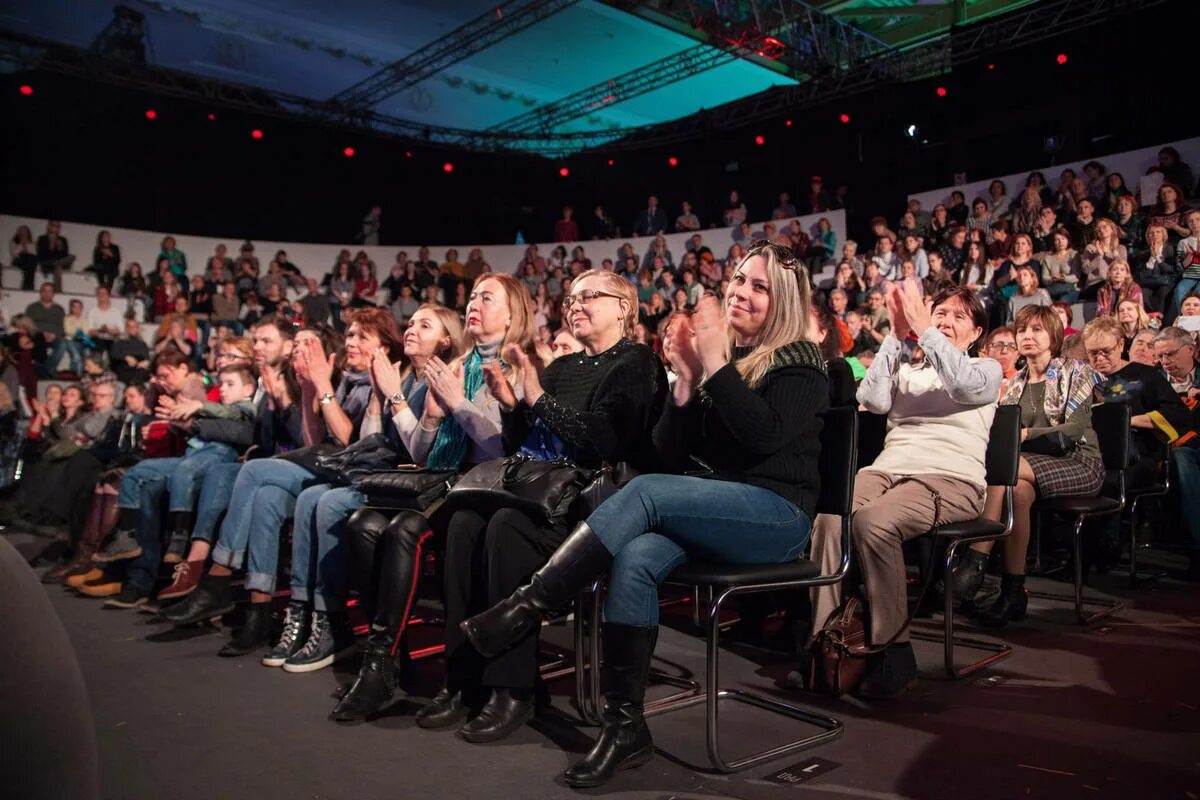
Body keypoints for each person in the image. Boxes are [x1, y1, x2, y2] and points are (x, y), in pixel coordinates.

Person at [458, 242, 826, 787]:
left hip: (776, 518)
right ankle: (625, 727)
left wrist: (715, 367)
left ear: (787, 300)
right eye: (739, 279)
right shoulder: (726, 365)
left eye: (759, 285)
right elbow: (673, 457)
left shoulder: (803, 364)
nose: (740, 291)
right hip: (713, 508)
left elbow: (763, 438)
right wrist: (683, 385)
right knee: (635, 556)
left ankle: (525, 607)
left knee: (649, 493)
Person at [409, 269, 666, 746]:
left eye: (590, 296)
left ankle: (515, 688)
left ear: (624, 308)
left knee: (508, 526)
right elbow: (523, 443)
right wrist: (514, 406)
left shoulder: (636, 363)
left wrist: (538, 400)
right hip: (541, 490)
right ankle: (462, 675)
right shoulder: (564, 366)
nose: (576, 304)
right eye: (571, 297)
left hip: (592, 505)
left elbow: (604, 439)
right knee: (463, 521)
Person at [159, 315, 379, 657]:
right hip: (313, 469)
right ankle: (259, 612)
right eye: (298, 344)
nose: (299, 351)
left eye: (308, 344)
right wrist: (307, 389)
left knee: (250, 473)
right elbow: (312, 441)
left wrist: (313, 387)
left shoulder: (344, 378)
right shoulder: (325, 380)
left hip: (342, 474)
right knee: (266, 497)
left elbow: (346, 442)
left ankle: (217, 575)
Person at [957, 306, 1103, 626]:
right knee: (1018, 491)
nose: (1027, 336)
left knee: (1003, 466)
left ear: (1053, 336)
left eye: (1036, 330)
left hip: (1079, 462)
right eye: (1022, 330)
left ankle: (976, 558)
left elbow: (1074, 431)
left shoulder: (1075, 372)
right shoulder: (1014, 384)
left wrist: (1026, 433)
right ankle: (1013, 592)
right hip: (1030, 467)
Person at [91, 362, 259, 608]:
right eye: (221, 382)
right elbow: (203, 428)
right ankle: (131, 549)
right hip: (192, 459)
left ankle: (173, 556)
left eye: (229, 383)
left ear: (247, 387)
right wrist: (179, 422)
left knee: (181, 474)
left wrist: (196, 413)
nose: (222, 388)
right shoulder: (221, 402)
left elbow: (239, 430)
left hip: (217, 467)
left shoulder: (244, 406)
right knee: (138, 476)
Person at [1152, 327, 1200, 580]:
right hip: (1170, 450)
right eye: (1160, 357)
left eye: (1170, 354)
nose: (1165, 362)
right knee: (1181, 459)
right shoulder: (1155, 383)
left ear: (1190, 349)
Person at [1133, 223, 1177, 318]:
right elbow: (1142, 275)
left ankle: (1160, 321)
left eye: (1158, 232)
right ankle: (1149, 321)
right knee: (1142, 292)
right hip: (1148, 282)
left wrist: (1157, 256)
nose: (1155, 235)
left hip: (1165, 282)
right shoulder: (1143, 253)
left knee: (1163, 291)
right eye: (1151, 233)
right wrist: (1152, 258)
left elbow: (1171, 270)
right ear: (1148, 236)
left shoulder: (1170, 249)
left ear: (1163, 235)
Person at [24, 283, 67, 378]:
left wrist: (54, 335)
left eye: (50, 291)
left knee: (63, 344)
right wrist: (41, 334)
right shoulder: (32, 307)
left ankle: (44, 370)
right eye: (45, 291)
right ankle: (48, 371)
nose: (47, 293)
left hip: (54, 336)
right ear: (41, 293)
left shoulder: (59, 309)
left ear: (53, 294)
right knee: (38, 340)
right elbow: (27, 325)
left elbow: (62, 327)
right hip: (36, 335)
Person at [1040, 228, 1081, 303]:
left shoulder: (1074, 254)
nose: (1060, 242)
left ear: (1068, 240)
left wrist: (1064, 278)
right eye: (1057, 240)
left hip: (1070, 288)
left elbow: (1076, 277)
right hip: (1053, 288)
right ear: (1053, 242)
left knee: (1062, 302)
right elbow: (1044, 278)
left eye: (1063, 239)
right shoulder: (1048, 258)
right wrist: (1052, 279)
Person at [36, 220, 75, 292]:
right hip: (47, 262)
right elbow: (42, 255)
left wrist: (60, 247)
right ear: (49, 226)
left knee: (72, 257)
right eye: (54, 225)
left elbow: (65, 255)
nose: (55, 228)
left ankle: (57, 263)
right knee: (58, 266)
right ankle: (58, 290)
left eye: (58, 226)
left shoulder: (63, 239)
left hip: (60, 262)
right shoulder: (42, 238)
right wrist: (51, 244)